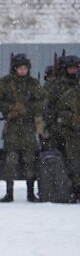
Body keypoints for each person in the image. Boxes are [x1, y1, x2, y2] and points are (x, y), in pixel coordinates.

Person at [0, 53, 45, 202]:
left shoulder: (33, 83)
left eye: (25, 68)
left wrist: (27, 108)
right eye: (20, 68)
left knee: (30, 160)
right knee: (10, 160)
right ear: (15, 68)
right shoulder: (6, 83)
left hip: (28, 127)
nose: (22, 71)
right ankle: (9, 192)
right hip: (12, 127)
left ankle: (31, 192)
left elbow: (43, 102)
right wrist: (10, 108)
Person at [45, 55, 80, 201]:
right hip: (65, 130)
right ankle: (74, 189)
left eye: (75, 68)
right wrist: (54, 125)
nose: (73, 70)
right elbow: (49, 107)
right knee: (71, 161)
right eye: (70, 68)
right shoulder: (57, 86)